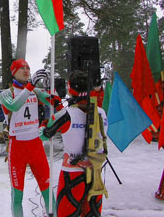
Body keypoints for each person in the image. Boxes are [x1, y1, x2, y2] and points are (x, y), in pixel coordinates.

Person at [39, 70, 108, 217]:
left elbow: (44, 135)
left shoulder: (65, 114)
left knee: (67, 213)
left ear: (70, 89)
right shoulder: (101, 112)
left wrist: (44, 124)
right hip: (95, 172)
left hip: (72, 173)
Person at [0, 59, 54, 217]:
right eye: (21, 68)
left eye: (28, 67)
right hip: (17, 148)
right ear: (13, 72)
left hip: (36, 146)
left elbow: (56, 104)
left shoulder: (35, 91)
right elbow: (14, 106)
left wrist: (50, 87)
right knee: (17, 195)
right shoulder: (6, 94)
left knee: (48, 191)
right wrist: (31, 86)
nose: (26, 70)